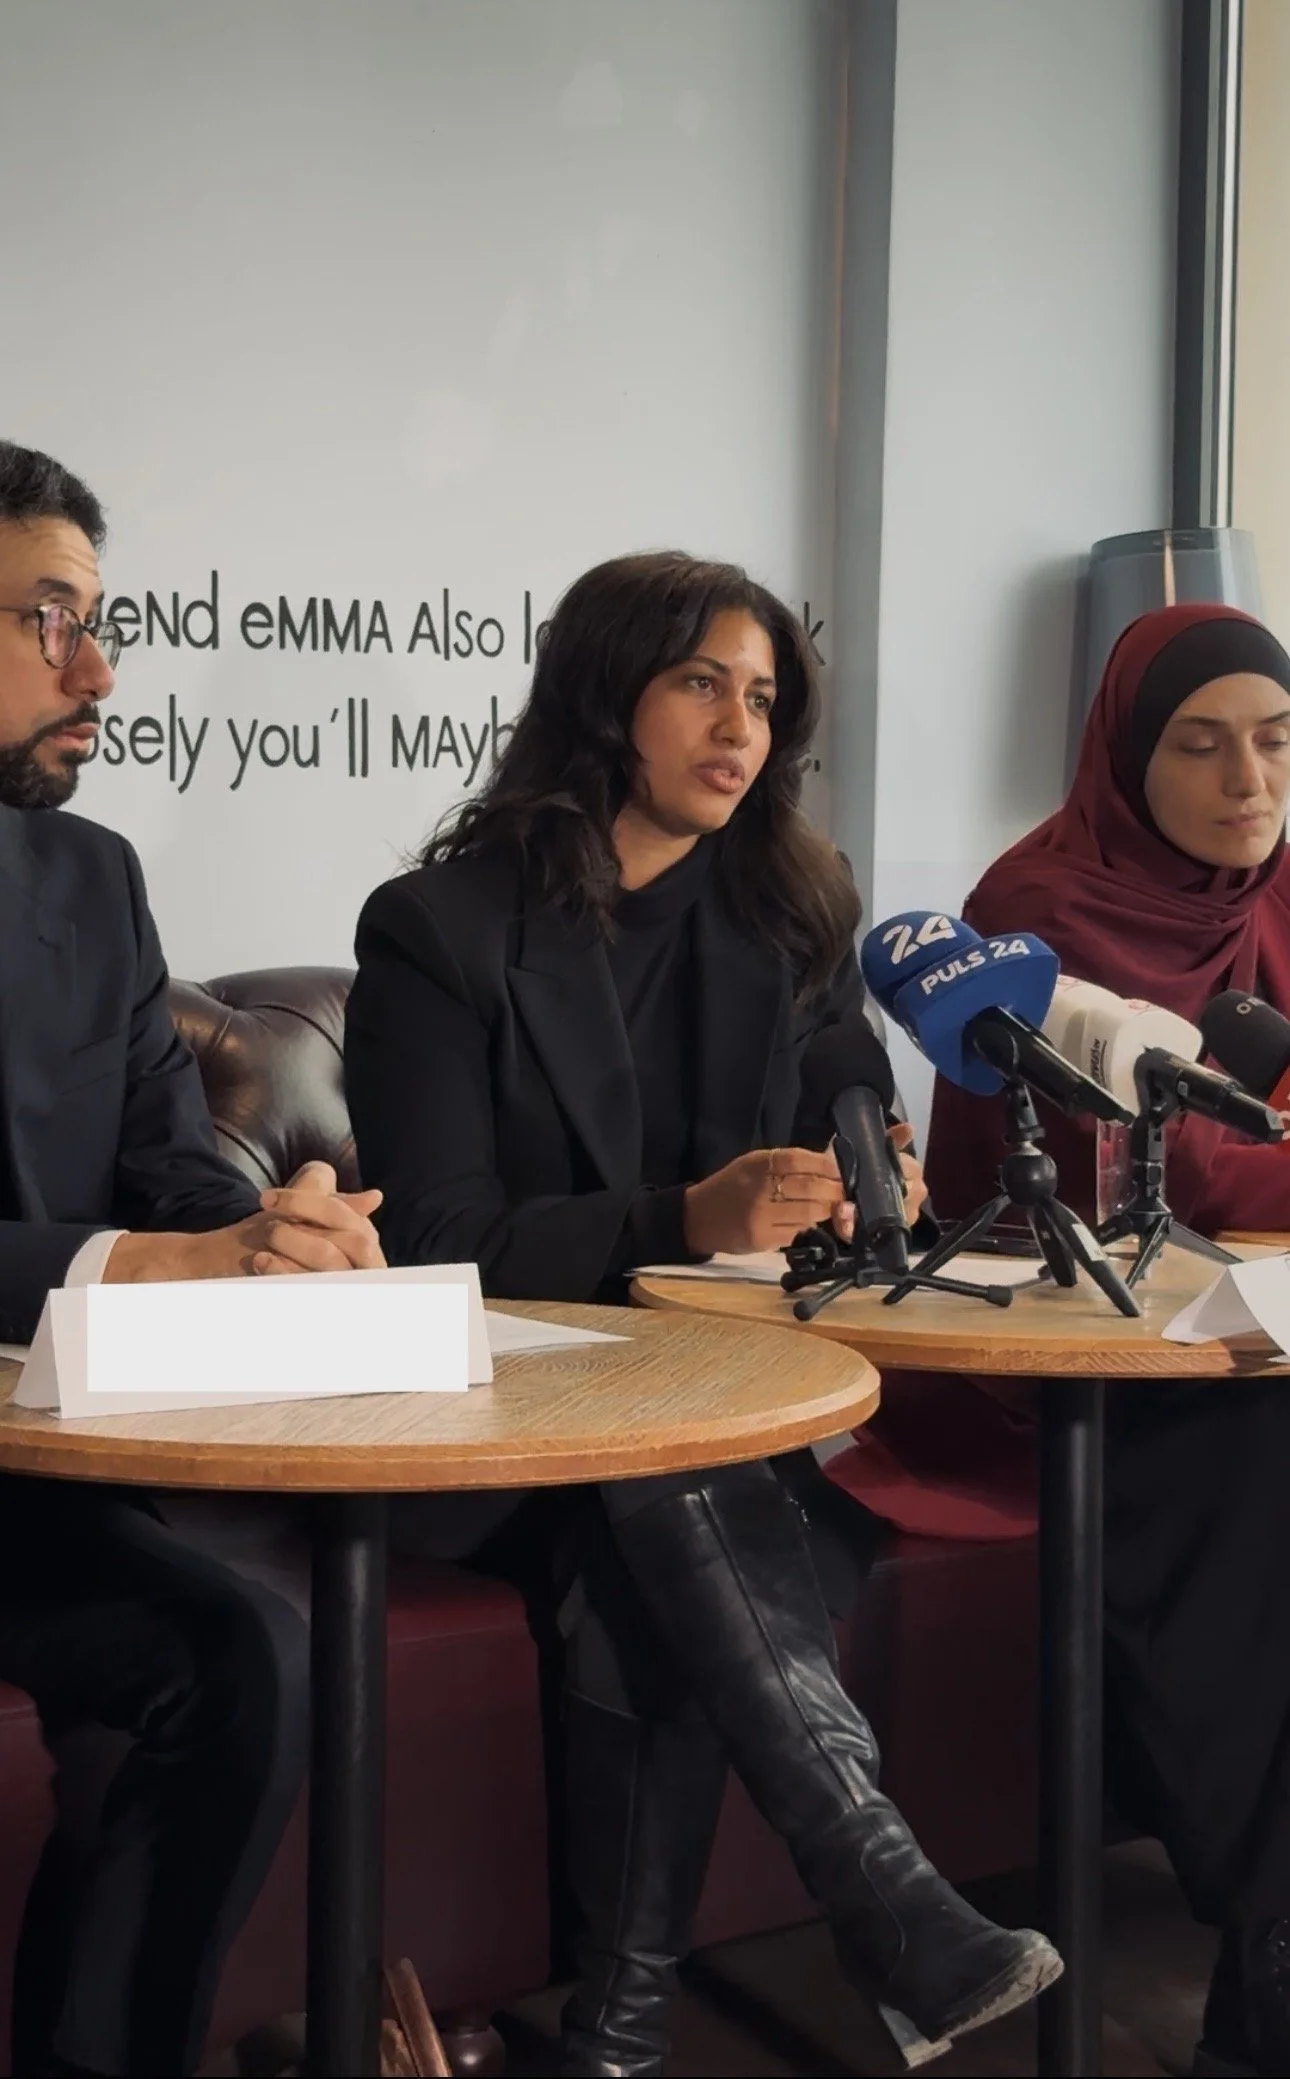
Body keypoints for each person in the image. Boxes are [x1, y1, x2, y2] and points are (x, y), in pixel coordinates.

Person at [345, 549, 1062, 2078]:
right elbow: (443, 1241)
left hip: (722, 1421)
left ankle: (615, 2037)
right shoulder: (438, 930)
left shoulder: (794, 914)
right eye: (697, 685)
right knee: (670, 1478)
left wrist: (874, 1160)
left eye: (759, 698)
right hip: (500, 1424)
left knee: (672, 1506)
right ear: (607, 696)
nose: (737, 729)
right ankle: (887, 1905)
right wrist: (682, 1217)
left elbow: (842, 1087)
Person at [832, 602, 1290, 2078]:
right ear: (1121, 756)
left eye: (1276, 744)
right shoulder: (1037, 903)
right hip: (1050, 1361)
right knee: (1256, 1442)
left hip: (1237, 1330)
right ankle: (1269, 1934)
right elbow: (1166, 1169)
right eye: (1202, 746)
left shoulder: (1281, 886)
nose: (1248, 785)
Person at [0, 439, 386, 2077]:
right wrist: (137, 1268)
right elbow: (132, 1246)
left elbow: (170, 1168)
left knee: (239, 1659)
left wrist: (271, 1237)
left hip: (57, 1465)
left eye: (99, 619)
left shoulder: (93, 875)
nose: (98, 666)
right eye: (47, 617)